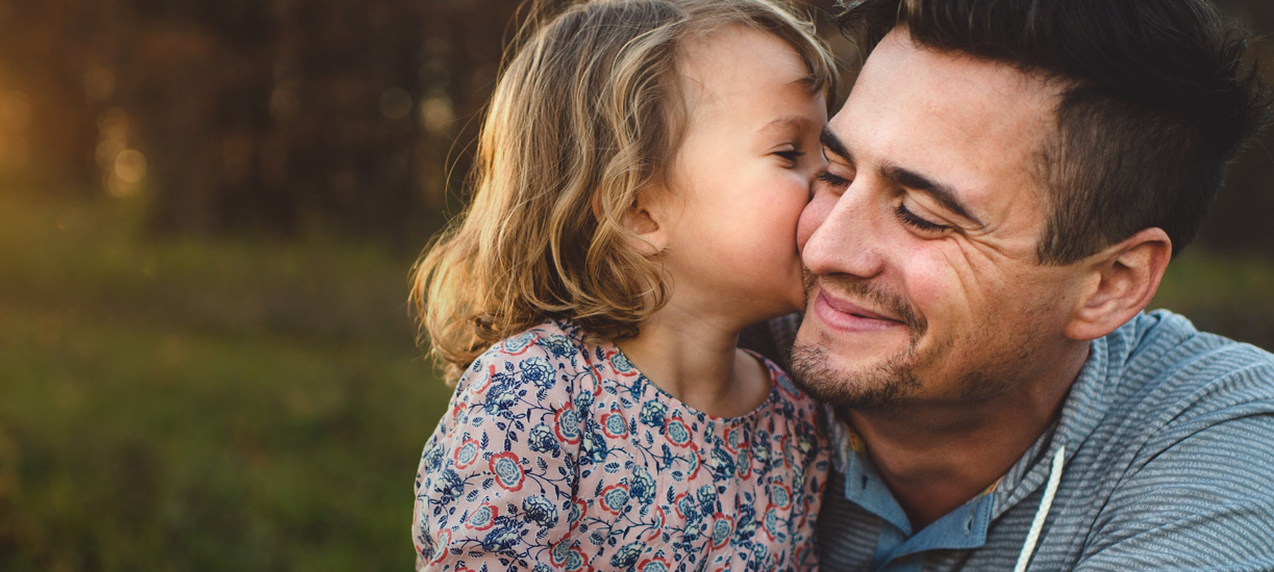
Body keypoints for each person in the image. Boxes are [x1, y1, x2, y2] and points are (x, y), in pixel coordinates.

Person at [740, 0, 1274, 570]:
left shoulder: (1218, 444)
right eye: (835, 174)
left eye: (921, 215)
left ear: (1109, 286)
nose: (823, 250)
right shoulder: (695, 339)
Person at [409, 0, 838, 569]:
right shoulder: (532, 395)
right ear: (637, 209)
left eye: (827, 155)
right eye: (790, 152)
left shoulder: (796, 420)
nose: (834, 185)